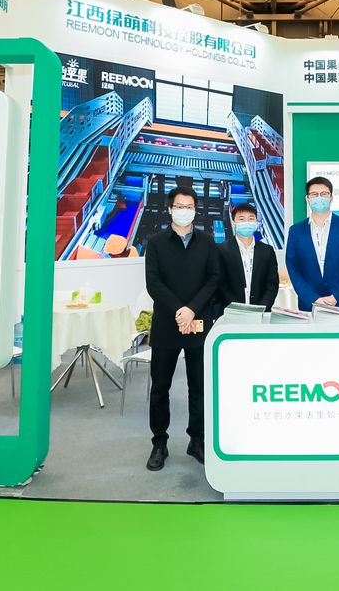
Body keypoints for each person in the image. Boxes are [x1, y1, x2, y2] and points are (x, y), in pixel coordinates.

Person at [143, 185, 220, 471]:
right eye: (179, 206)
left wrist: (191, 309)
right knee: (160, 388)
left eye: (189, 206)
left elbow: (213, 279)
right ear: (170, 209)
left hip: (198, 323)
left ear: (195, 210)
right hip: (167, 324)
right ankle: (159, 443)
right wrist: (179, 310)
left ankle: (196, 440)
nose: (184, 211)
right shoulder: (156, 242)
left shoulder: (207, 242)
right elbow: (154, 283)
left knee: (198, 386)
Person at [285, 176, 339, 312]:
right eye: (314, 194)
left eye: (324, 194)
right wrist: (313, 298)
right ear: (307, 199)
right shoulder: (296, 231)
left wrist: (336, 296)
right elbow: (293, 268)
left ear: (331, 197)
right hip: (309, 305)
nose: (319, 198)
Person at [216, 203, 281, 312]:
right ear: (233, 222)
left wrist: (261, 309)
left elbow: (272, 284)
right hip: (230, 312)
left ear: (256, 222)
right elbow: (220, 284)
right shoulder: (221, 250)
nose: (246, 222)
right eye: (241, 219)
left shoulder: (267, 251)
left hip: (260, 313)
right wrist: (236, 309)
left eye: (251, 219)